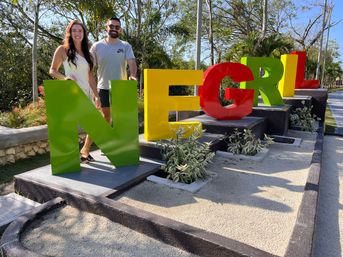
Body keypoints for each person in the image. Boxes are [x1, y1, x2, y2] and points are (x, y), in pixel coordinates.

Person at [49, 20, 100, 163]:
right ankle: (68, 157)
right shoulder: (62, 49)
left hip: (87, 93)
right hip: (72, 93)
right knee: (69, 125)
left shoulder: (88, 51)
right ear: (70, 33)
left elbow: (90, 76)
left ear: (84, 33)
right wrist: (65, 78)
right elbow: (52, 70)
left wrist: (97, 96)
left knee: (95, 124)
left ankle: (84, 150)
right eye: (74, 31)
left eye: (80, 31)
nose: (77, 33)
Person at [91, 17, 137, 123]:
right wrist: (92, 90)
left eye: (117, 27)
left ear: (120, 30)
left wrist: (133, 74)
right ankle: (106, 140)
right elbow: (90, 68)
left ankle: (120, 140)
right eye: (111, 26)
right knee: (106, 117)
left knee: (120, 118)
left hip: (120, 87)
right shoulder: (96, 46)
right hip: (103, 88)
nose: (114, 29)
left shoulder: (125, 46)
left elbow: (131, 61)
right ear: (106, 28)